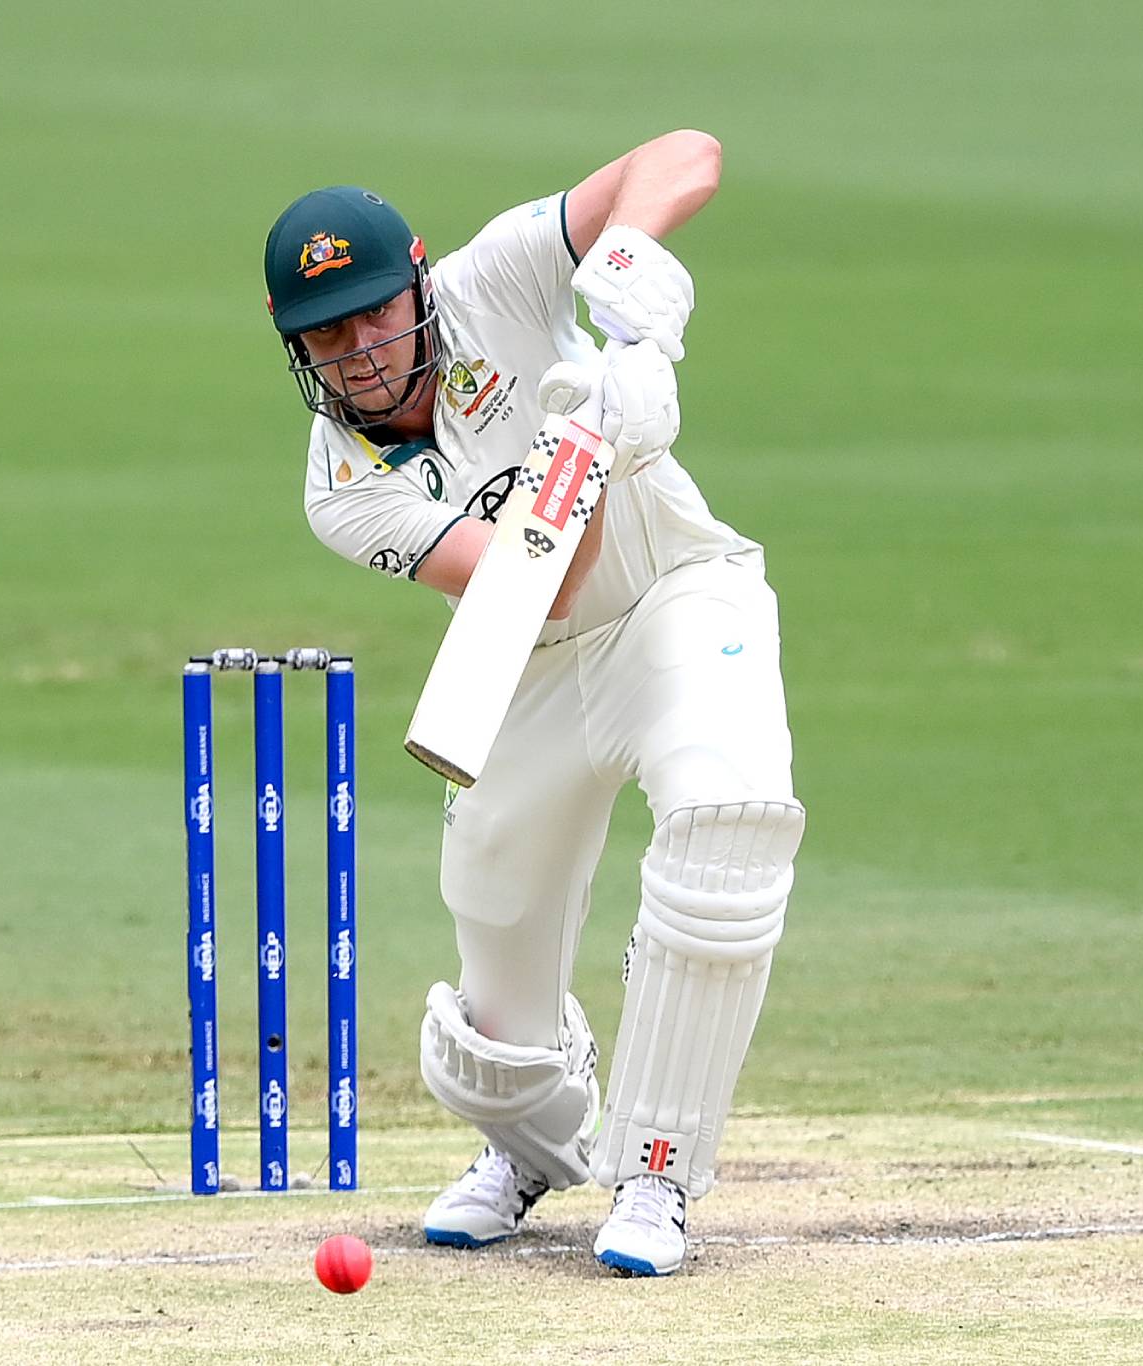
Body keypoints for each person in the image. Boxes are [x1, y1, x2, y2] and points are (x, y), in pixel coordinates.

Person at [262, 131, 806, 1277]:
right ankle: (529, 1151)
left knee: (727, 819)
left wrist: (623, 277)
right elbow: (534, 579)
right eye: (327, 334)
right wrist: (587, 445)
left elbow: (685, 152)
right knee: (495, 948)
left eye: (373, 313)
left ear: (416, 286)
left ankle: (654, 1173)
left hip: (674, 593)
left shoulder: (495, 275)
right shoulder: (340, 490)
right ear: (296, 350)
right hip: (529, 650)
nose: (359, 351)